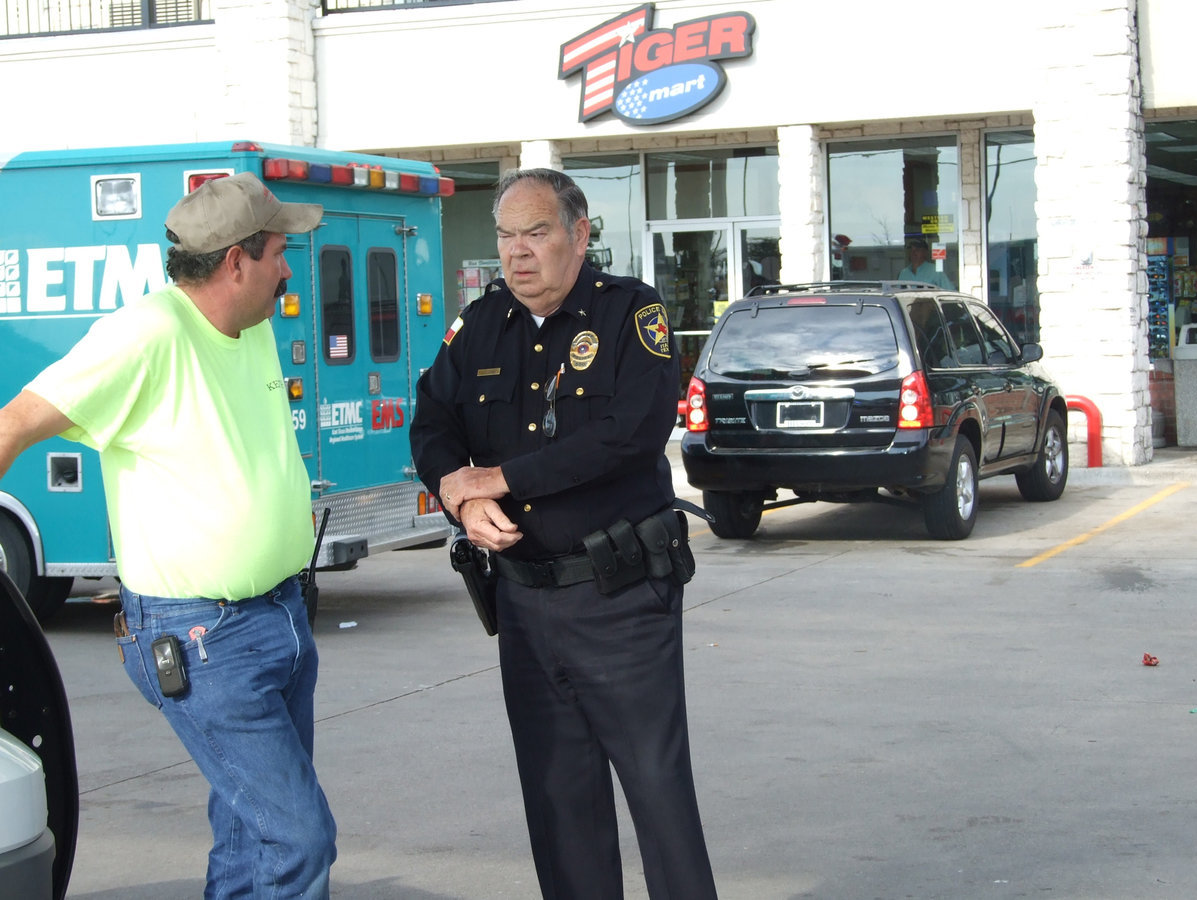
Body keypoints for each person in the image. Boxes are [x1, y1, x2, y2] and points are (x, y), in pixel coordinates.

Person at [0, 172, 337, 898]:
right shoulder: (146, 334)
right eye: (279, 252)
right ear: (235, 262)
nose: (288, 268)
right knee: (299, 837)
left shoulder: (253, 327)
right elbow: (13, 425)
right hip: (201, 638)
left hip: (278, 616)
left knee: (254, 838)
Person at [410, 168, 718, 900]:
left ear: (579, 236)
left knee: (657, 793)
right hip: (523, 603)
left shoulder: (628, 314)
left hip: (619, 600)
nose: (517, 254)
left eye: (536, 233)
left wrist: (503, 479)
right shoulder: (483, 324)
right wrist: (455, 489)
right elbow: (432, 418)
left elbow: (632, 434)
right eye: (506, 237)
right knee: (559, 805)